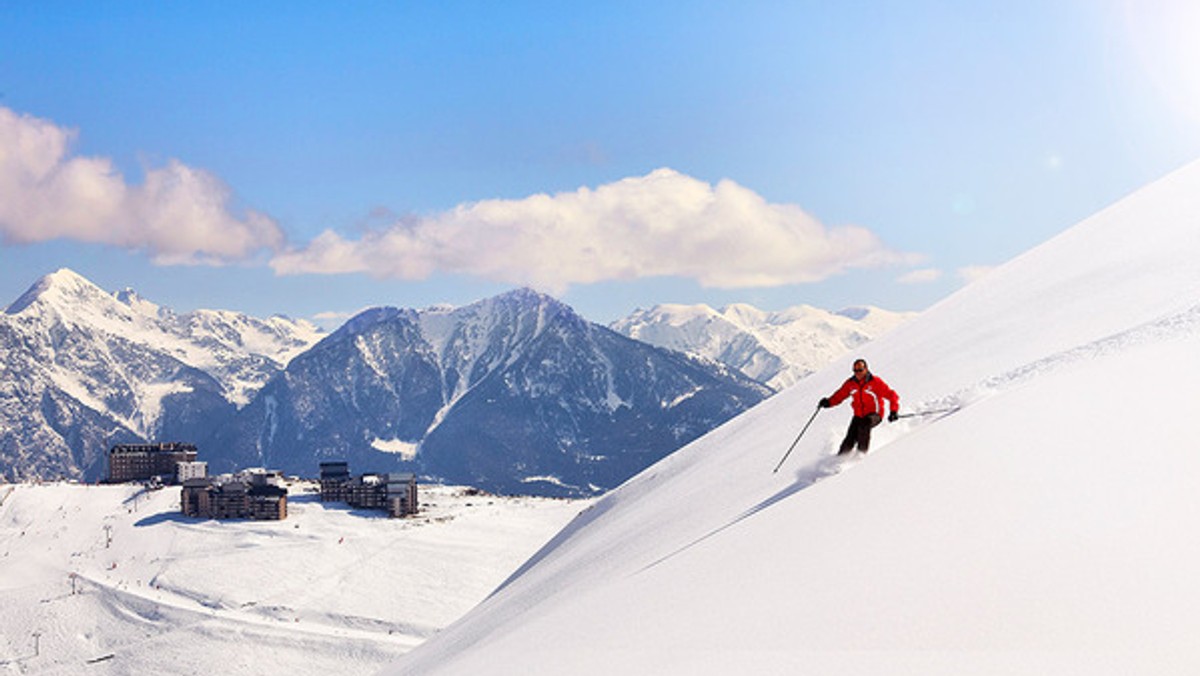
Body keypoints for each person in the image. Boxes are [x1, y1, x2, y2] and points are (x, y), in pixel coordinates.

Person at [819, 358, 899, 454]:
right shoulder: (850, 384)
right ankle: (839, 459)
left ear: (866, 369)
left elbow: (892, 395)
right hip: (858, 415)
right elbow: (839, 395)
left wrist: (893, 411)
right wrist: (828, 402)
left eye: (860, 370)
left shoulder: (875, 382)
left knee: (864, 425)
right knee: (849, 440)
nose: (858, 373)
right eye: (855, 370)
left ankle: (861, 456)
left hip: (875, 414)